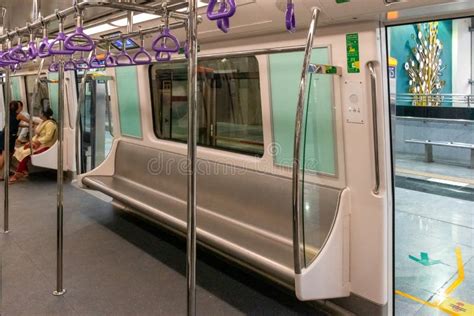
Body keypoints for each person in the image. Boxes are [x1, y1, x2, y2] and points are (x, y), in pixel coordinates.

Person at [9, 108, 57, 184]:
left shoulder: (50, 124)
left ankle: (18, 174)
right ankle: (24, 170)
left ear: (44, 115)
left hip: (45, 145)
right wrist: (31, 142)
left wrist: (36, 142)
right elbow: (37, 135)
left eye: (40, 113)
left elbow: (48, 137)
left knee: (26, 153)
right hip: (38, 142)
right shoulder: (43, 122)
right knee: (20, 150)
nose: (39, 114)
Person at [0, 101, 29, 180]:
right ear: (18, 107)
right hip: (8, 137)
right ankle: (1, 175)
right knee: (5, 155)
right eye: (19, 106)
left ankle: (5, 173)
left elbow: (15, 124)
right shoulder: (19, 115)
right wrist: (35, 123)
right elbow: (29, 121)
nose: (20, 107)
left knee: (8, 155)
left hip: (6, 135)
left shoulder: (9, 114)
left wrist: (26, 126)